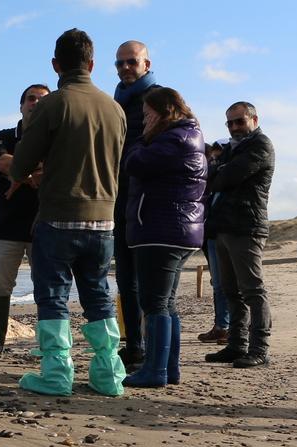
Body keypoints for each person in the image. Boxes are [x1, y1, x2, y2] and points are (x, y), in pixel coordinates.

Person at [8, 28, 127, 397]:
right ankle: (108, 374)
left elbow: (18, 167)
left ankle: (57, 374)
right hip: (104, 218)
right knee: (98, 294)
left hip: (58, 216)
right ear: (92, 64)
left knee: (54, 297)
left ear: (56, 64)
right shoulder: (115, 108)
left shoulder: (53, 105)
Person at [120, 87, 207, 388]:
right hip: (177, 230)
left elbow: (135, 163)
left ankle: (155, 370)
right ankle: (168, 369)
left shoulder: (174, 138)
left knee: (154, 303)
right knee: (166, 303)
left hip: (161, 230)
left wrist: (133, 142)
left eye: (147, 115)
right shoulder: (187, 137)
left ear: (163, 111)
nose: (144, 121)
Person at [0, 83, 50, 358]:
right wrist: (35, 171)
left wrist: (20, 172)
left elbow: (53, 168)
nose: (35, 103)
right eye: (30, 99)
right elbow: (1, 162)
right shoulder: (5, 135)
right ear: (21, 105)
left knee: (45, 285)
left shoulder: (56, 137)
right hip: (7, 224)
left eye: (41, 100)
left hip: (45, 222)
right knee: (0, 284)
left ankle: (48, 344)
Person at [204, 101, 275, 368]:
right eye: (230, 123)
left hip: (246, 226)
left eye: (239, 121)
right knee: (230, 290)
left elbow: (224, 178)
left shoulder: (260, 145)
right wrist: (217, 170)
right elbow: (213, 176)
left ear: (254, 120)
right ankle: (236, 344)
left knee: (252, 290)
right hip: (223, 226)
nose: (234, 127)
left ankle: (260, 348)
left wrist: (217, 170)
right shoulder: (234, 149)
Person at [111, 40, 161, 369]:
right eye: (120, 63)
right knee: (126, 279)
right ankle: (135, 346)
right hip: (119, 199)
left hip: (148, 201)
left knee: (151, 282)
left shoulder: (158, 98)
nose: (126, 68)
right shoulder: (115, 101)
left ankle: (156, 352)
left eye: (132, 62)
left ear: (146, 63)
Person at [198, 139, 232, 345]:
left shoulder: (222, 174)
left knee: (228, 284)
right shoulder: (208, 178)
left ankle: (230, 327)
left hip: (223, 231)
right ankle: (222, 326)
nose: (213, 159)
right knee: (218, 283)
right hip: (209, 232)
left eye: (218, 155)